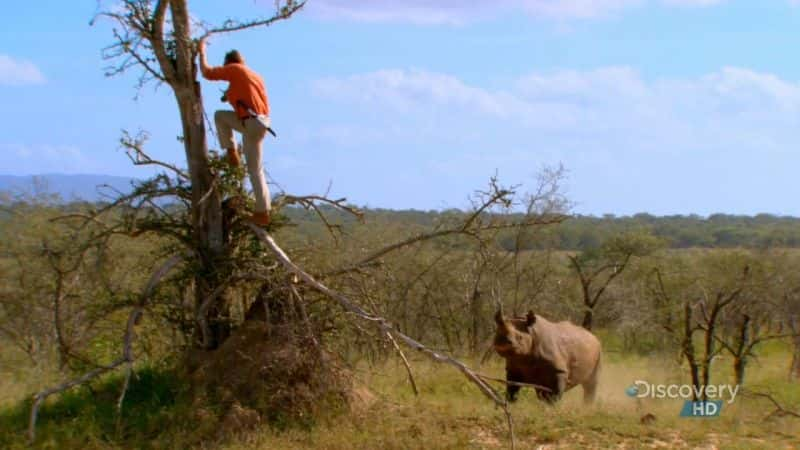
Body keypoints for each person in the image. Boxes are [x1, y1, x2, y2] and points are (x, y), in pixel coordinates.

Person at [198, 39, 272, 226]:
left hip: (250, 123)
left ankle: (231, 150)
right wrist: (229, 94)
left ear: (229, 63)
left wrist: (201, 51)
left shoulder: (235, 69)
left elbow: (206, 73)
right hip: (261, 124)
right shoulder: (254, 75)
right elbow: (246, 95)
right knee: (256, 170)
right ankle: (263, 212)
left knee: (219, 116)